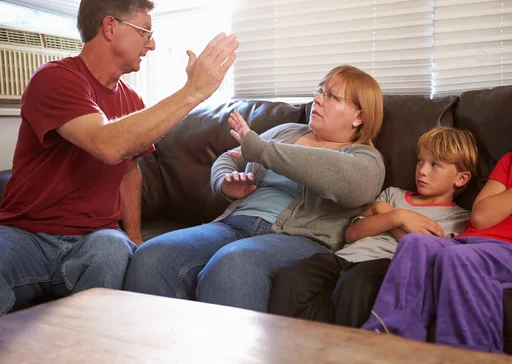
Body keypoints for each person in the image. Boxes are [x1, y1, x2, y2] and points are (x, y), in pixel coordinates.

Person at [0, 0, 238, 315]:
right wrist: (193, 92)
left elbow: (129, 170)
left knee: (114, 249)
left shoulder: (132, 100)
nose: (151, 44)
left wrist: (136, 237)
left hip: (95, 239)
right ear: (110, 27)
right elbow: (107, 145)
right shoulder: (54, 79)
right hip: (26, 236)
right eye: (144, 32)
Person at [125, 65, 386, 312]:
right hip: (233, 225)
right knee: (152, 257)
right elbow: (230, 157)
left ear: (358, 116)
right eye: (320, 90)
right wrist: (225, 182)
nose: (317, 99)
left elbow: (353, 186)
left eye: (331, 96)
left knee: (235, 265)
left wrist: (261, 150)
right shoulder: (286, 132)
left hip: (298, 240)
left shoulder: (365, 159)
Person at [362, 91, 512, 353]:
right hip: (469, 244)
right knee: (415, 242)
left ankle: (470, 354)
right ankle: (389, 340)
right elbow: (482, 218)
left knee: (458, 259)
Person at [268, 126, 478, 327]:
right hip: (345, 257)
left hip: (387, 265)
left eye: (435, 165)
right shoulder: (392, 195)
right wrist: (397, 216)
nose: (422, 171)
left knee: (357, 283)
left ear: (461, 178)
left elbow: (421, 254)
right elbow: (351, 234)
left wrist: (387, 214)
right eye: (420, 161)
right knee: (290, 274)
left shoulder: (458, 219)